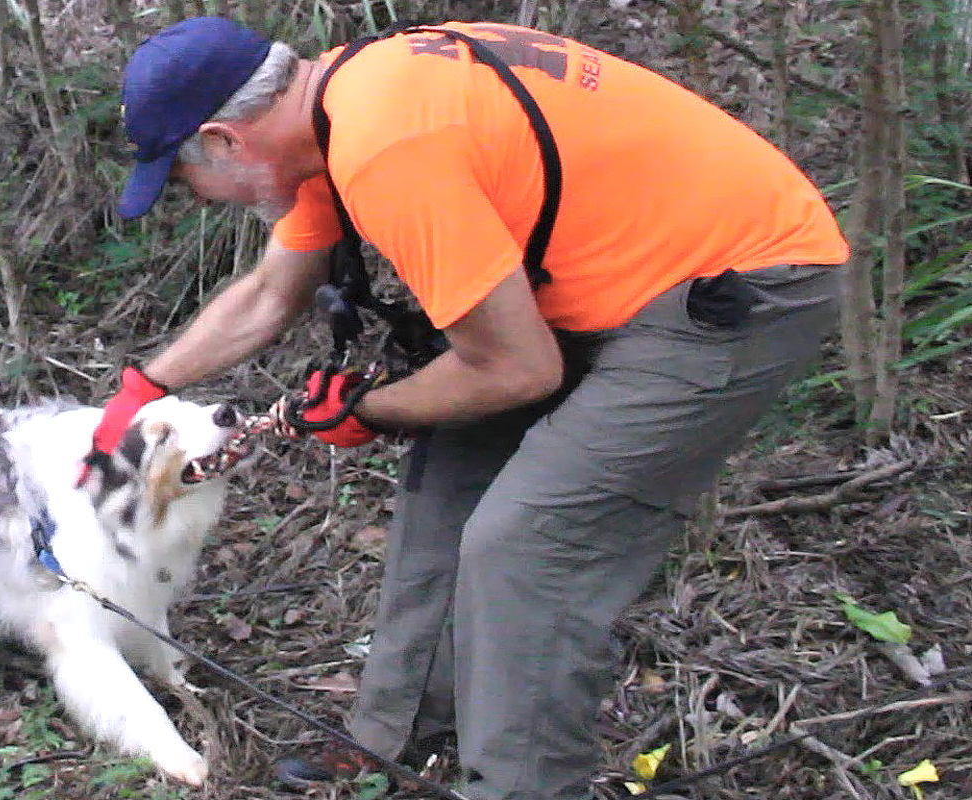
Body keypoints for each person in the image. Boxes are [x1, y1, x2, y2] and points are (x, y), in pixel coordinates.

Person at [91, 15, 849, 800]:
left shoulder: (388, 147)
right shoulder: (334, 107)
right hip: (605, 279)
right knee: (447, 480)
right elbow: (267, 295)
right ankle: (393, 739)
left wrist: (371, 409)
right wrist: (143, 388)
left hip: (740, 281)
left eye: (184, 180)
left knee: (530, 539)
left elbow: (517, 367)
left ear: (224, 140)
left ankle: (521, 786)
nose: (199, 199)